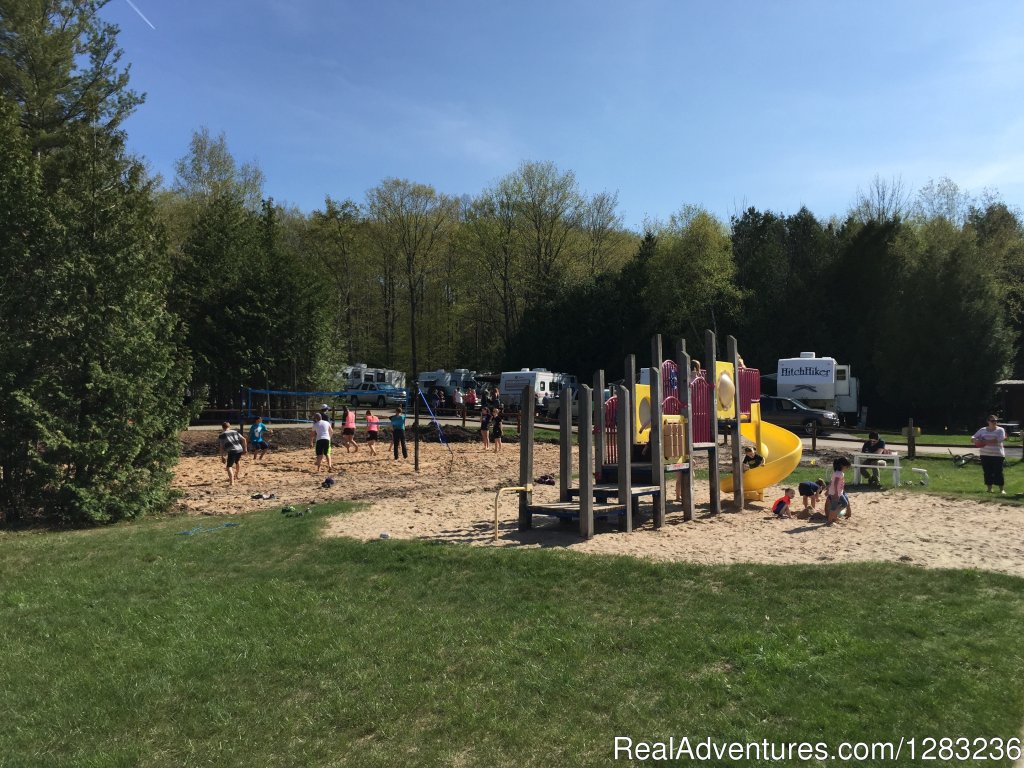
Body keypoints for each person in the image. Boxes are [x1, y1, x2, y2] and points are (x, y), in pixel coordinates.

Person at [972, 415, 1007, 494]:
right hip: (985, 454)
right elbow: (973, 437)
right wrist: (975, 440)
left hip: (997, 455)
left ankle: (1001, 489)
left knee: (998, 472)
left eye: (996, 421)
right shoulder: (982, 430)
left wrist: (983, 441)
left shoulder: (1000, 430)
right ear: (988, 421)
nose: (994, 422)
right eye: (992, 421)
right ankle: (989, 489)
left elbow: (998, 440)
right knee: (987, 472)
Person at [218, 422, 247, 486]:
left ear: (222, 427)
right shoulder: (235, 432)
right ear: (229, 426)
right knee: (237, 461)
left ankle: (232, 482)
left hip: (232, 450)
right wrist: (245, 449)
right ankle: (236, 475)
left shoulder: (221, 435)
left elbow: (221, 447)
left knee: (229, 467)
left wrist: (222, 456)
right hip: (239, 449)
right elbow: (244, 439)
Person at [826, 457, 852, 524]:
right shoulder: (839, 473)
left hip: (838, 492)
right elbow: (835, 483)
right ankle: (830, 520)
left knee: (844, 503)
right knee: (835, 507)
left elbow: (831, 481)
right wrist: (836, 493)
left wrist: (828, 489)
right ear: (842, 466)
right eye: (847, 467)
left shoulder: (838, 473)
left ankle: (834, 516)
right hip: (836, 493)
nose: (847, 468)